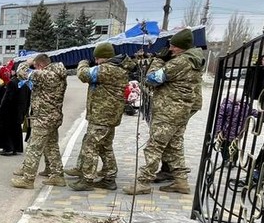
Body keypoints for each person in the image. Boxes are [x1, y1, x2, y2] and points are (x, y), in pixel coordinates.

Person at [125, 29, 206, 195]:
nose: (171, 49)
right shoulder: (194, 60)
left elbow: (152, 79)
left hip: (169, 110)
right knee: (174, 146)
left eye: (174, 46)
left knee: (154, 146)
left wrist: (158, 60)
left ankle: (143, 182)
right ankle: (181, 181)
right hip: (182, 109)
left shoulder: (181, 62)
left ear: (183, 47)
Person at [67, 43, 131, 192]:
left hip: (102, 116)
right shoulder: (118, 68)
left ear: (105, 57)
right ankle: (109, 178)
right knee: (104, 147)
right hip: (107, 116)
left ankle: (87, 179)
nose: (96, 61)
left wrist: (82, 62)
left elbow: (83, 75)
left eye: (97, 58)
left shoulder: (108, 68)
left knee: (91, 147)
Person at [11, 54, 68, 189]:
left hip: (43, 118)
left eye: (36, 66)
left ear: (40, 65)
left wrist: (27, 62)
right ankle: (57, 175)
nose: (35, 69)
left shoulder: (45, 74)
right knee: (52, 146)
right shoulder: (58, 73)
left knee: (34, 148)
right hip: (53, 117)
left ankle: (28, 179)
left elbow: (21, 73)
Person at [0, 70, 31, 156]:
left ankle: (8, 148)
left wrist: (1, 109)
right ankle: (16, 148)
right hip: (20, 110)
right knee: (16, 129)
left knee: (7, 129)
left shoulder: (12, 82)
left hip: (10, 110)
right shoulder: (26, 84)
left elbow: (7, 98)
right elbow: (28, 99)